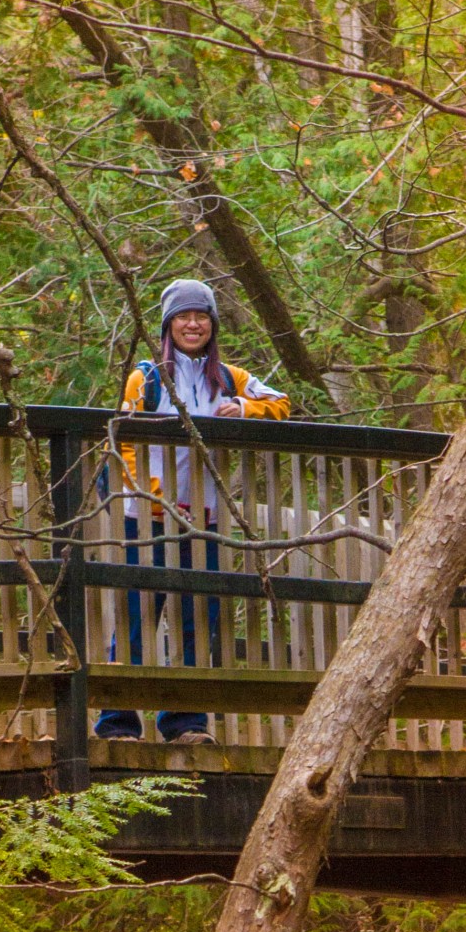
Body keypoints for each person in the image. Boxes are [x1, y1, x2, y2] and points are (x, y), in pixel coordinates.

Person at [94, 278, 290, 743]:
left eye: (201, 316)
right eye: (183, 316)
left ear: (213, 324)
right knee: (137, 615)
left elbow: (281, 403)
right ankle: (118, 722)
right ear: (168, 324)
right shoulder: (148, 377)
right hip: (148, 515)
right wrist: (144, 494)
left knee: (194, 620)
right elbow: (123, 438)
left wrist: (244, 408)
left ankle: (185, 723)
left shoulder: (229, 378)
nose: (193, 324)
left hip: (203, 519)